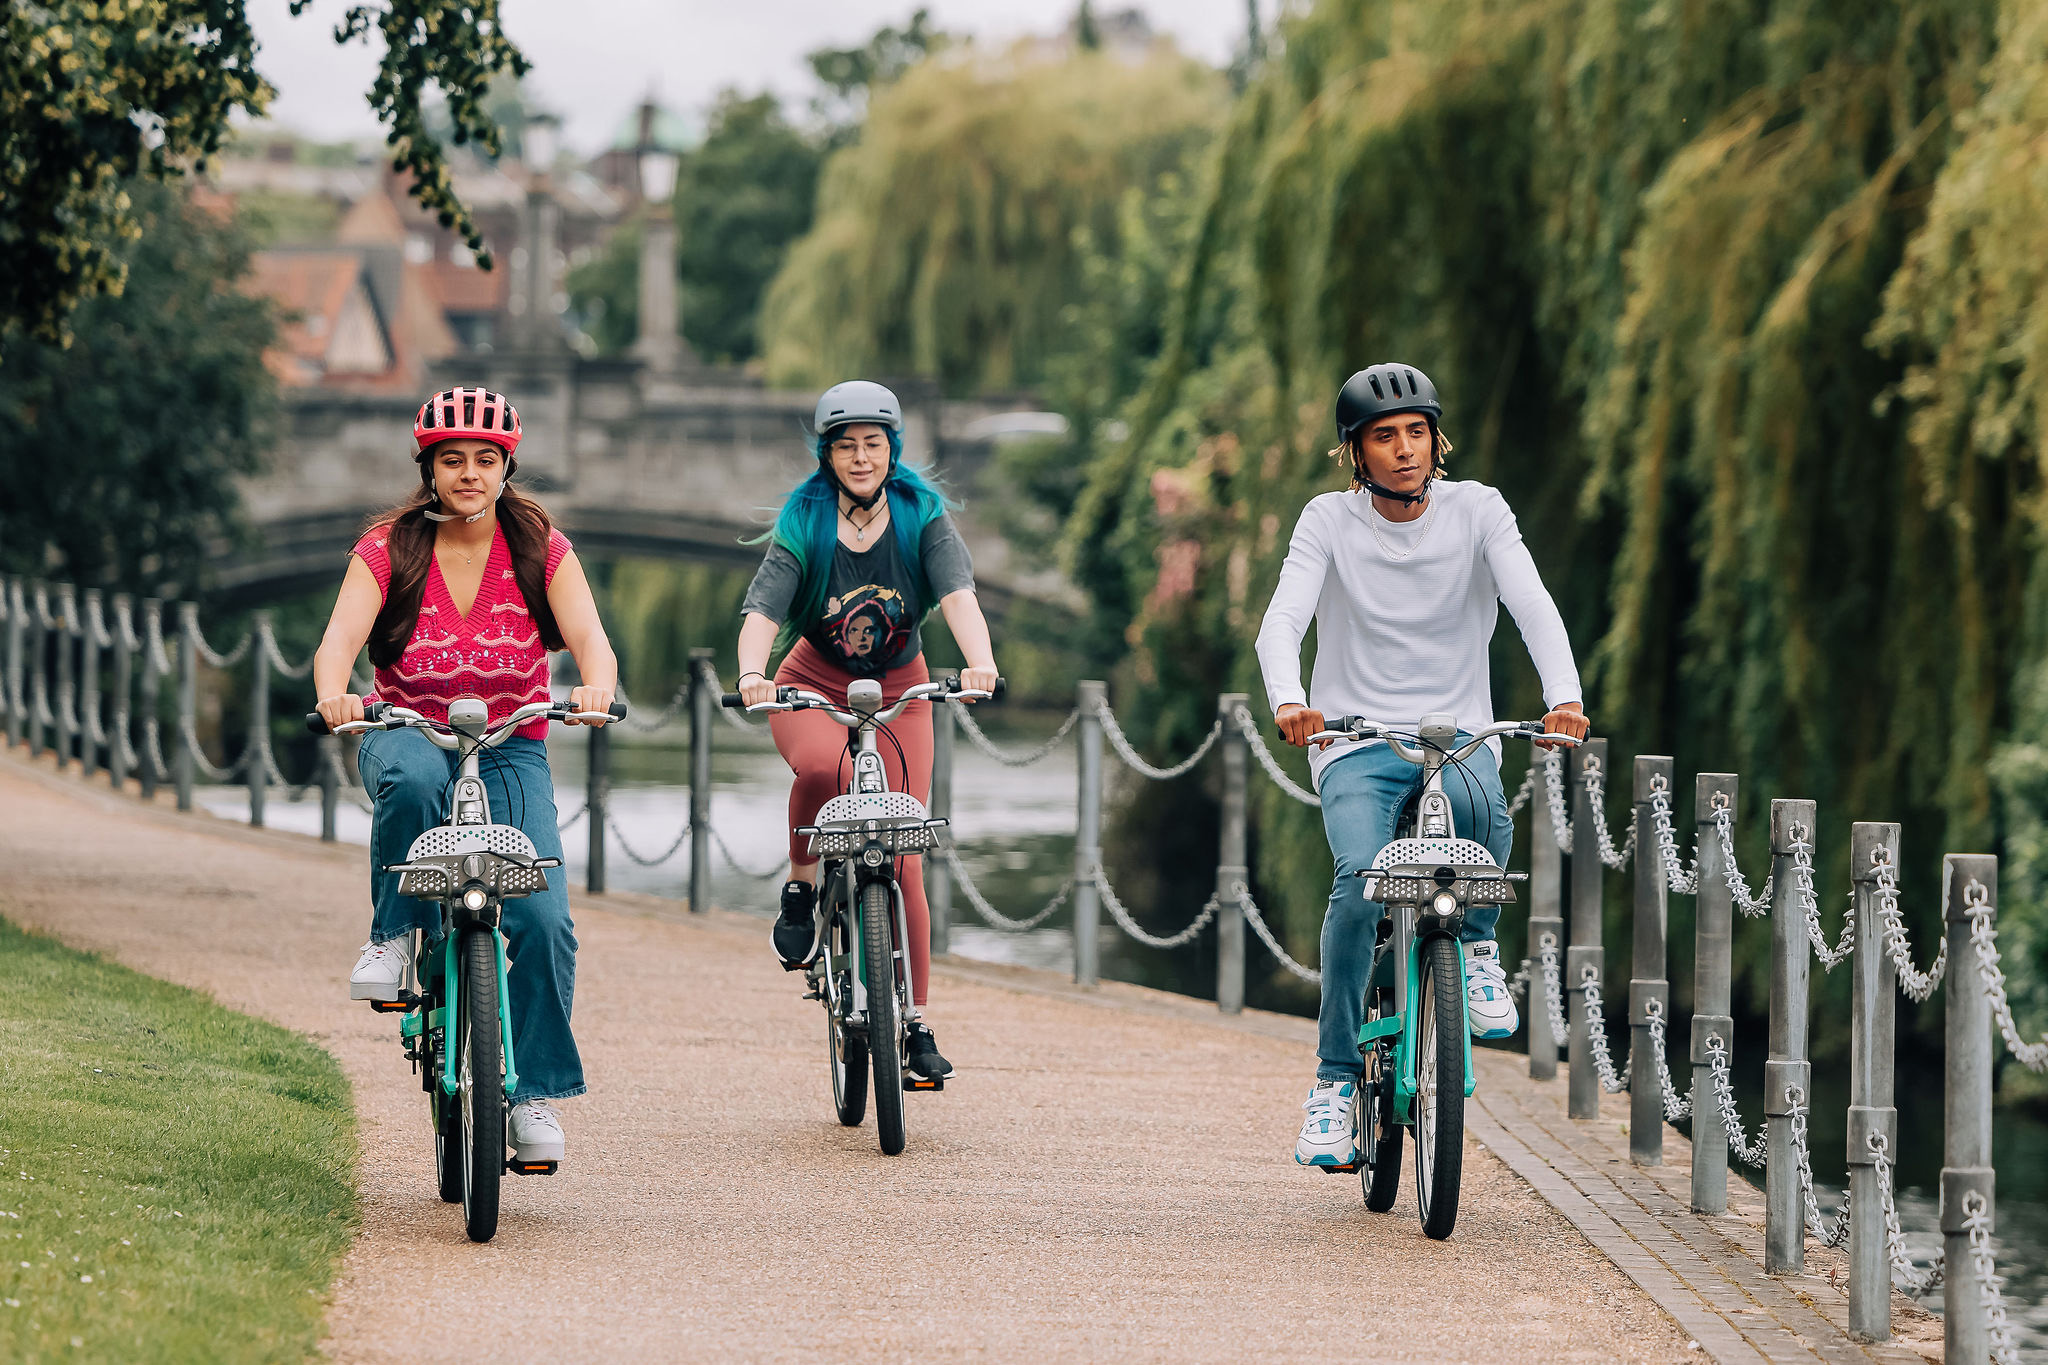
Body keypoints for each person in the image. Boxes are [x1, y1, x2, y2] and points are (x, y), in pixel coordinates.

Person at [1253, 362, 1592, 1168]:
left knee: (1484, 824)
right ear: (1355, 453)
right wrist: (1290, 700)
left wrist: (1565, 696)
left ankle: (1475, 947)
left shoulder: (1479, 510)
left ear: (1436, 438)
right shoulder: (1327, 522)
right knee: (1359, 874)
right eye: (1383, 436)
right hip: (1358, 737)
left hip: (1459, 733)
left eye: (1415, 432)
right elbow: (1283, 620)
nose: (1403, 449)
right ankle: (1335, 1083)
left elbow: (1530, 600)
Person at [311, 386, 619, 1166]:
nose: (470, 474)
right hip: (407, 728)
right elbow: (339, 640)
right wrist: (336, 693)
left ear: (507, 466)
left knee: (545, 919)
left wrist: (595, 686)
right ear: (429, 467)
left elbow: (590, 637)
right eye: (453, 460)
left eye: (486, 459)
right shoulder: (387, 548)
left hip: (512, 741)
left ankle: (535, 1092)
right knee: (412, 783)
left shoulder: (540, 546)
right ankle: (391, 936)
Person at [734, 380, 1000, 1083]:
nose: (860, 458)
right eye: (846, 446)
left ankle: (914, 1023)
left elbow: (958, 594)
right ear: (827, 453)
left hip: (901, 686)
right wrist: (751, 672)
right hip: (812, 681)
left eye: (873, 445)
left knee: (904, 851)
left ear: (892, 451)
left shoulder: (921, 514)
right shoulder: (808, 515)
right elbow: (765, 605)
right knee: (824, 772)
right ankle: (799, 887)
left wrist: (981, 662)